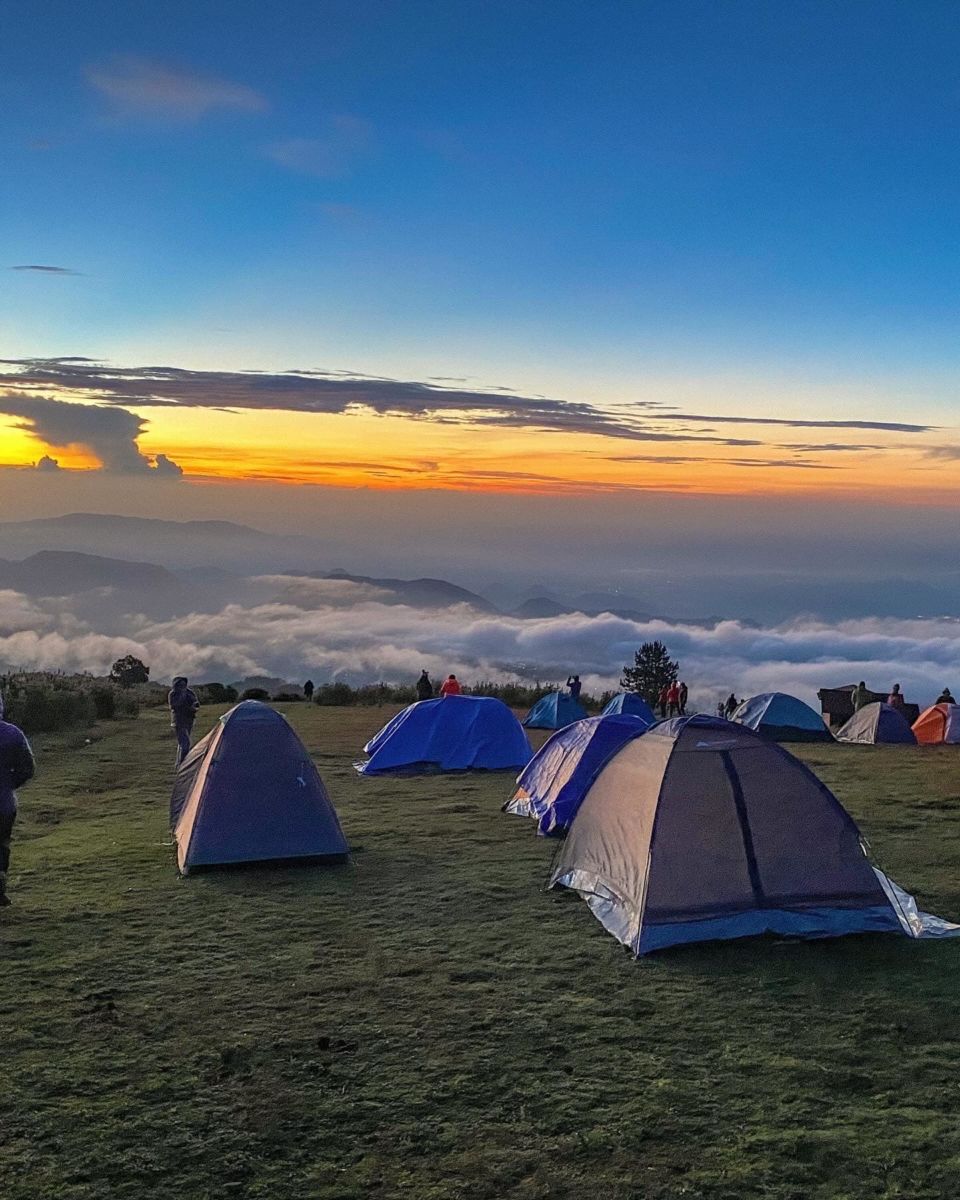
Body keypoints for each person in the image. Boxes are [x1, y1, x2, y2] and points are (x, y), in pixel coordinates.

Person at [0, 695, 35, 907]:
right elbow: (28, 768)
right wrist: (9, 784)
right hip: (4, 804)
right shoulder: (13, 734)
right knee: (2, 845)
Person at [168, 676, 200, 767]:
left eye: (184, 684)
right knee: (185, 743)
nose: (183, 686)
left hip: (189, 719)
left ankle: (179, 764)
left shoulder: (189, 692)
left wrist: (194, 707)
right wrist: (182, 696)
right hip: (178, 721)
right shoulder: (173, 694)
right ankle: (183, 764)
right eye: (180, 685)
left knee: (182, 743)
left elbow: (196, 702)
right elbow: (174, 706)